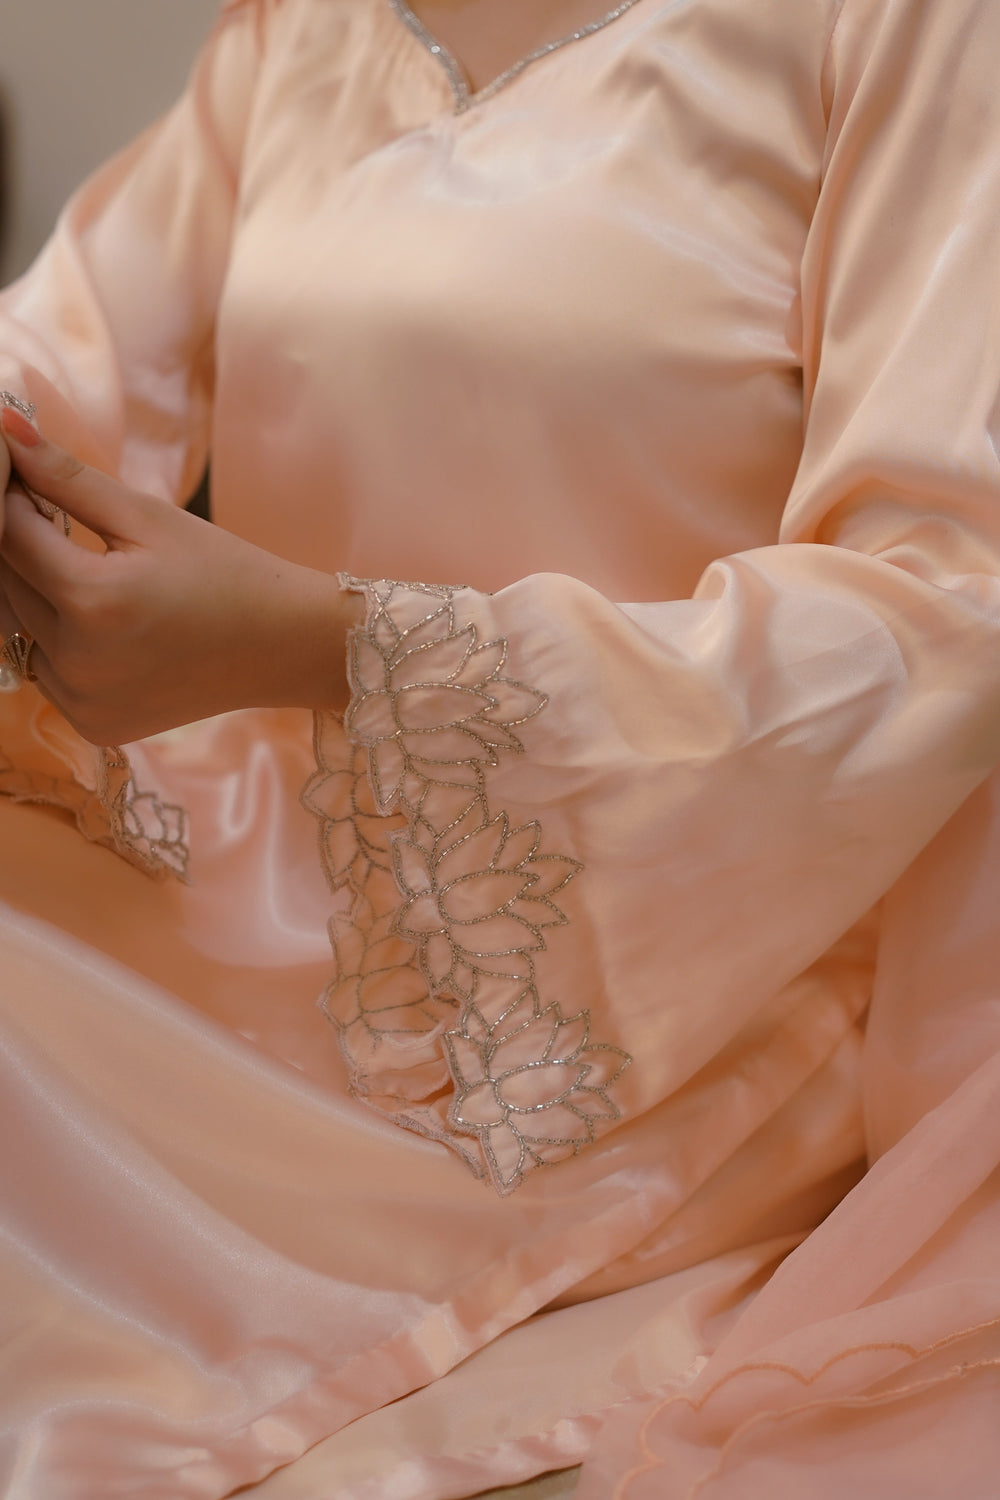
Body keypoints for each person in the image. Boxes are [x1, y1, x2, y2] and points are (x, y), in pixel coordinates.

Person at [1, 0, 999, 1495]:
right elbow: (62, 359)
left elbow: (945, 613)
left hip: (643, 980)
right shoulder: (304, 28)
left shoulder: (904, 26)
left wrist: (337, 643)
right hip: (246, 873)